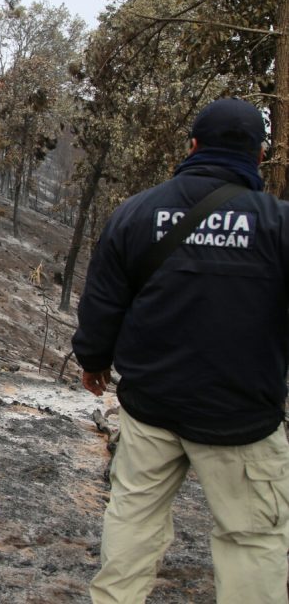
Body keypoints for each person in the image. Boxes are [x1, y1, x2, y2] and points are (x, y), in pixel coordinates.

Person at [73, 97, 289, 603]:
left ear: (192, 146)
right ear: (259, 156)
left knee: (132, 517)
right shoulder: (278, 224)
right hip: (241, 416)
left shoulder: (137, 211)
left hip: (153, 406)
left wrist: (93, 361)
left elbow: (103, 299)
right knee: (252, 537)